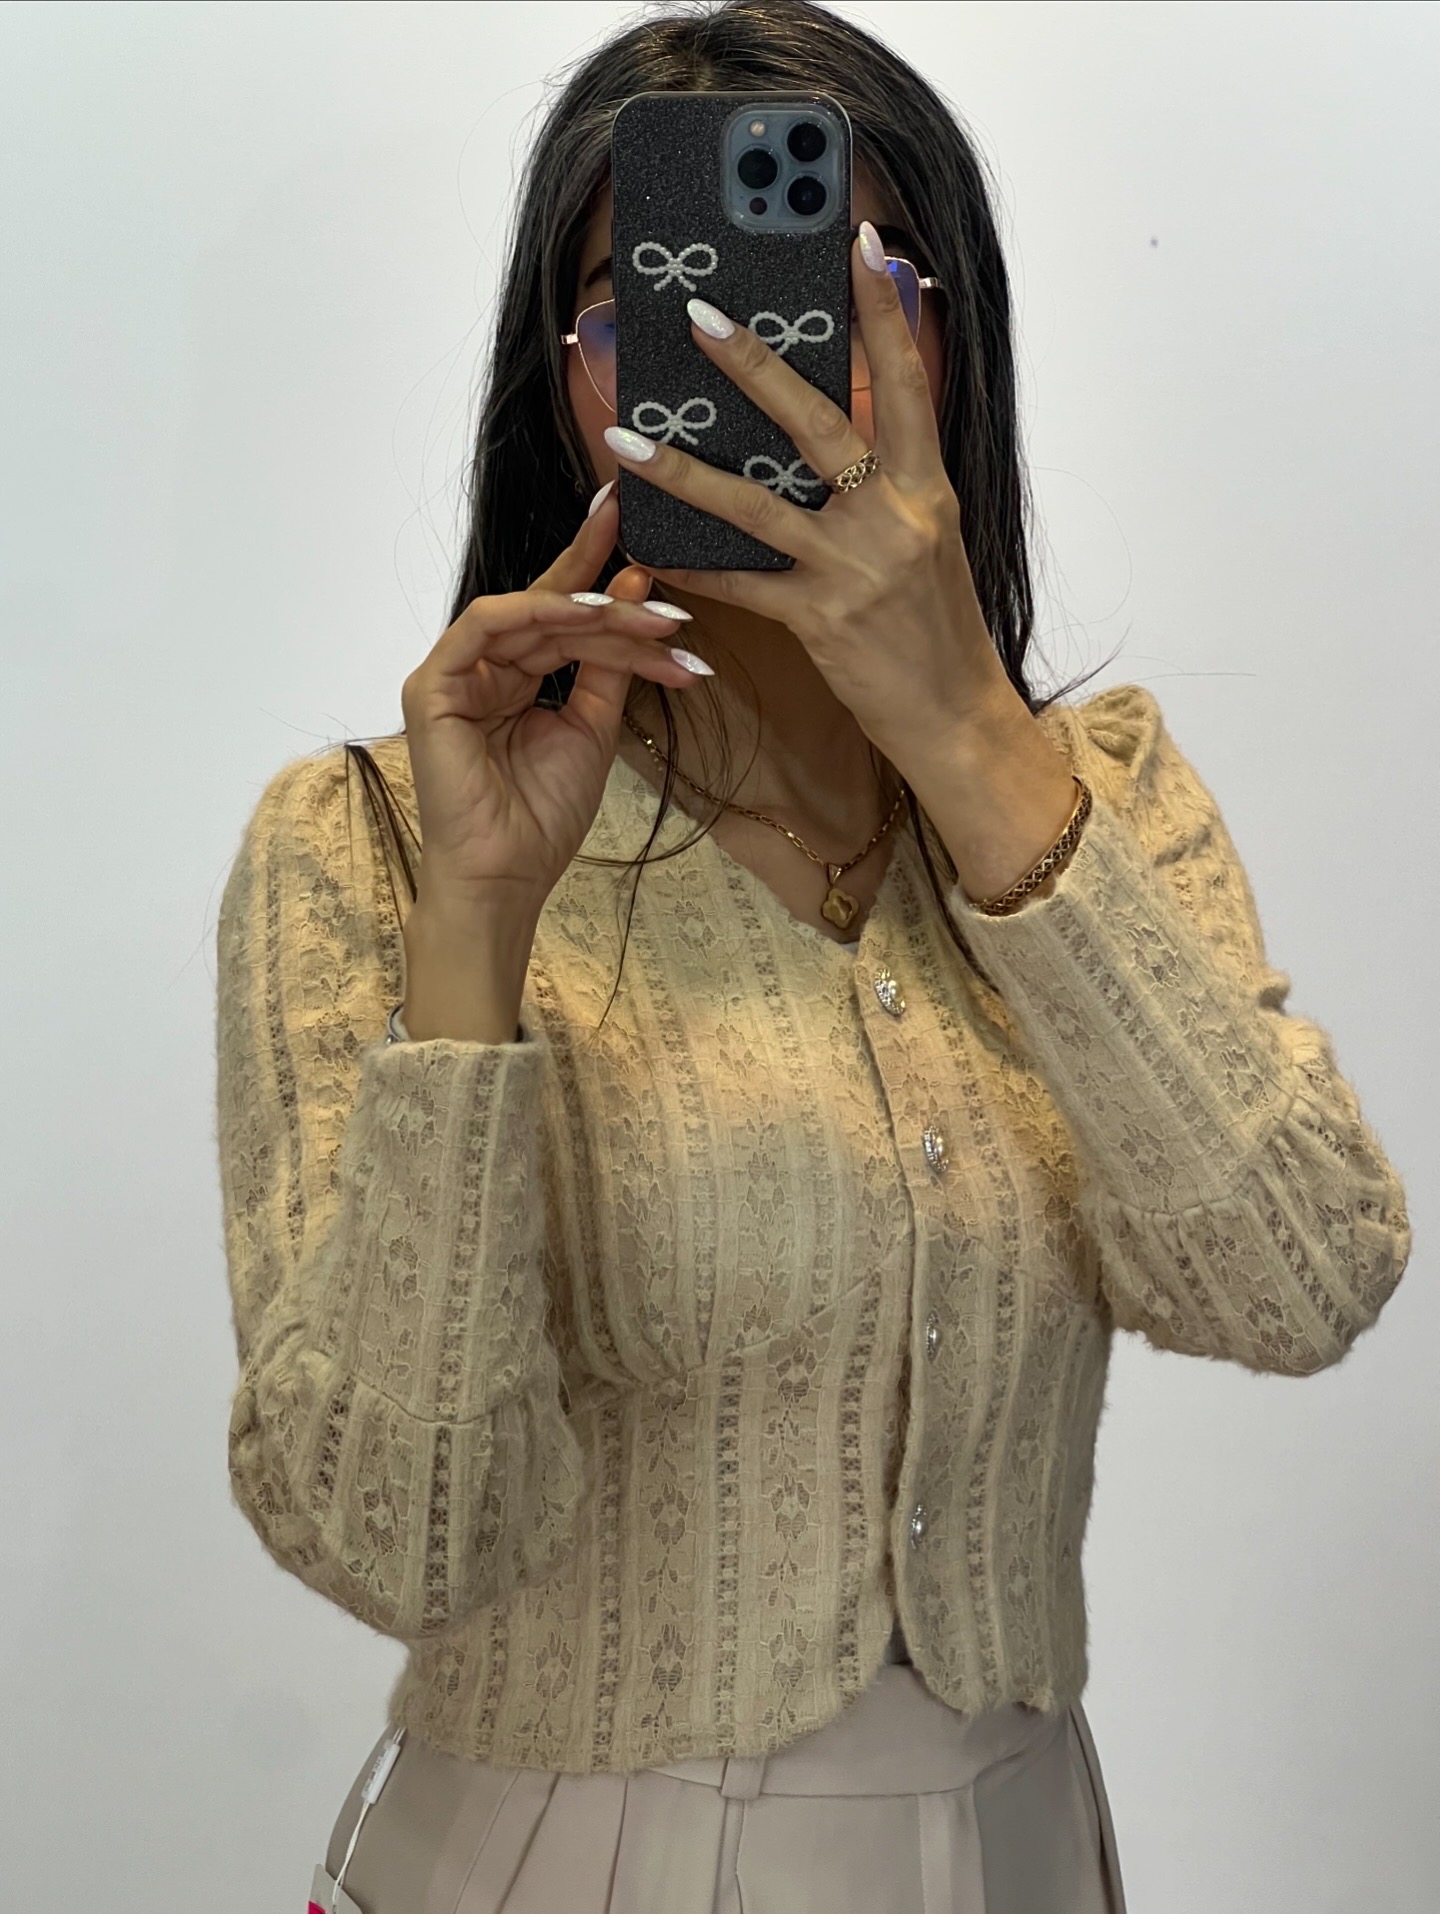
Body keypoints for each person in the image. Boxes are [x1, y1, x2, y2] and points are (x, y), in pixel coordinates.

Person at [214, 4, 1412, 1910]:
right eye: (658, 302)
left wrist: (969, 739)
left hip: (1025, 1847)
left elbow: (1302, 1280)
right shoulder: (375, 841)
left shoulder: (1092, 795)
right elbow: (400, 1541)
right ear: (571, 383)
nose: (754, 352)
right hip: (560, 1860)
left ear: (950, 342)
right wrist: (476, 936)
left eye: (853, 284)